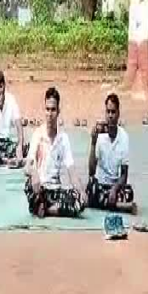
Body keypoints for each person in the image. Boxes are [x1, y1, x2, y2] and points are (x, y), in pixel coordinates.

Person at [24, 87, 86, 218]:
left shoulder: (63, 139)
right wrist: (34, 174)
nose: (50, 114)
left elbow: (71, 170)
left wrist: (81, 191)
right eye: (47, 109)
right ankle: (44, 206)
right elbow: (28, 165)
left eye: (53, 110)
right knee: (29, 186)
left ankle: (47, 210)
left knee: (79, 201)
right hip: (40, 189)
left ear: (58, 112)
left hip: (55, 190)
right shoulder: (37, 135)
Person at [87, 93, 137, 213]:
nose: (110, 116)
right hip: (101, 186)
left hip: (115, 187)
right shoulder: (100, 135)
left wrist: (114, 189)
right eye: (108, 112)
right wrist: (93, 143)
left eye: (113, 112)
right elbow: (91, 171)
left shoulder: (123, 137)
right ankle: (121, 206)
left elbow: (124, 175)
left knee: (129, 192)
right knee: (91, 187)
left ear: (118, 114)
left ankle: (103, 203)